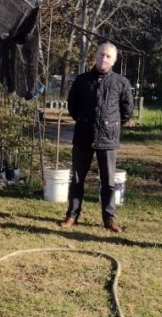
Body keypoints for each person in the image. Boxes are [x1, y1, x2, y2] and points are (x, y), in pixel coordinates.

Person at [59, 42, 134, 233]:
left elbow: (127, 111)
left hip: (108, 139)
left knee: (108, 182)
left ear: (114, 60)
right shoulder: (82, 80)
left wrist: (110, 124)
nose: (104, 59)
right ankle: (72, 215)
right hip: (83, 136)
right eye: (101, 55)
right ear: (95, 56)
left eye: (108, 56)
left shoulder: (121, 83)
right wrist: (85, 121)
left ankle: (109, 219)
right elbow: (72, 106)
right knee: (77, 178)